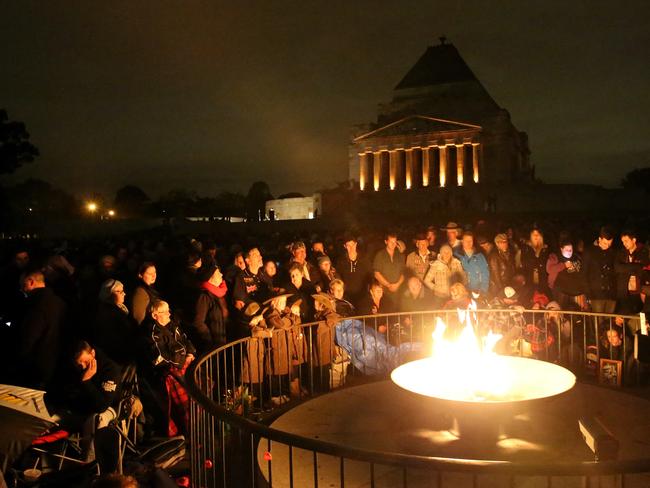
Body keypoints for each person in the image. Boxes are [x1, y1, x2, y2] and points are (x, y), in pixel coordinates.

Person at [141, 300, 195, 437]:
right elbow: (160, 358)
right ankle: (189, 433)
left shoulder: (172, 325)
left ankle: (199, 428)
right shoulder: (151, 332)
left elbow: (185, 340)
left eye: (168, 310)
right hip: (167, 373)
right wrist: (182, 361)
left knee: (198, 397)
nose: (169, 314)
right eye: (165, 312)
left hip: (183, 365)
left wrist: (190, 353)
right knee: (186, 406)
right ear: (154, 315)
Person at [15, 269, 67, 388]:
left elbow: (28, 338)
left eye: (22, 285)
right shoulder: (60, 303)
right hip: (53, 366)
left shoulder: (35, 305)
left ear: (31, 282)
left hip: (33, 367)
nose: (22, 290)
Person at [93, 279, 137, 365]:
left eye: (123, 291)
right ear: (108, 294)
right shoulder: (109, 314)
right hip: (118, 358)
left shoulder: (120, 308)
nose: (124, 294)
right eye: (119, 291)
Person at [191, 264, 229, 353]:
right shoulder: (204, 296)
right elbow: (198, 322)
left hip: (222, 340)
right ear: (210, 277)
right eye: (218, 272)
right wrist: (209, 340)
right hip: (213, 345)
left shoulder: (219, 294)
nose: (221, 274)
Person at [582, 226, 617, 313]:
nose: (607, 246)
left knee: (609, 323)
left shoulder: (613, 252)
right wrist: (588, 294)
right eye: (605, 243)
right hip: (596, 294)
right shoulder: (589, 252)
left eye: (610, 244)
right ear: (599, 239)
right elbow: (584, 274)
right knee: (599, 322)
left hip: (610, 294)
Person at [614, 230, 649, 315]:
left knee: (641, 316)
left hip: (639, 291)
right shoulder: (621, 253)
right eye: (623, 241)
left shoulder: (644, 252)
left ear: (633, 240)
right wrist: (636, 267)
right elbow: (617, 267)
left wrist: (626, 267)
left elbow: (643, 268)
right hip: (624, 291)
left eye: (626, 241)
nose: (624, 244)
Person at [546, 240, 587, 310]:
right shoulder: (555, 257)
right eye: (567, 250)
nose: (569, 252)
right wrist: (564, 265)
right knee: (561, 310)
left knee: (577, 311)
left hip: (576, 292)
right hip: (561, 291)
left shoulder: (576, 257)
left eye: (570, 250)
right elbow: (549, 269)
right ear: (561, 249)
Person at [232, 247, 273, 313]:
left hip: (267, 311)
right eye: (256, 255)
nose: (260, 257)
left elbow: (271, 294)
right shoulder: (241, 277)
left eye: (260, 255)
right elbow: (239, 304)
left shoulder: (264, 276)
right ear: (248, 261)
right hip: (253, 316)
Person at [335, 234, 371, 306]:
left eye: (353, 245)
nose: (351, 248)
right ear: (345, 246)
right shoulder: (341, 262)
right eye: (348, 245)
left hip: (362, 297)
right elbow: (338, 277)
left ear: (356, 244)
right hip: (347, 297)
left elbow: (370, 276)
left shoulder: (364, 260)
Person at [373, 231, 405, 306]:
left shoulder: (400, 256)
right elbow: (376, 273)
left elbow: (403, 273)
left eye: (395, 242)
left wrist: (397, 285)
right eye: (391, 242)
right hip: (384, 292)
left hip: (398, 292)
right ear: (386, 242)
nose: (393, 244)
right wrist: (388, 285)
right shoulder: (380, 255)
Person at [520, 228, 550, 295]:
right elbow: (524, 261)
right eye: (534, 234)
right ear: (531, 236)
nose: (536, 236)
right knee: (529, 294)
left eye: (537, 234)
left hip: (542, 277)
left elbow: (546, 262)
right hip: (530, 276)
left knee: (542, 295)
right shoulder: (526, 248)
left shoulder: (545, 248)